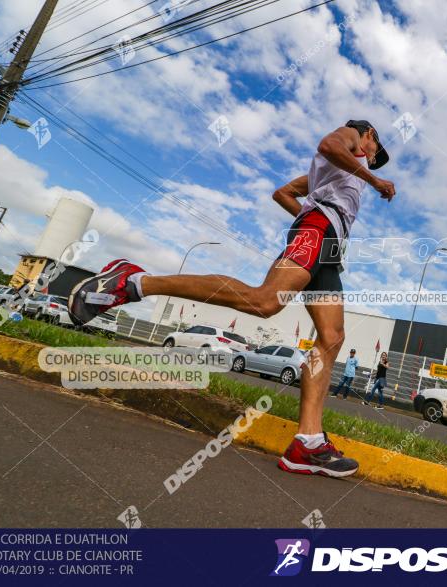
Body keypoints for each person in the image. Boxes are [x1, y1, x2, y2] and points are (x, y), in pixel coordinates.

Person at [67, 120, 394, 478]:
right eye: (376, 146)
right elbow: (328, 146)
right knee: (265, 302)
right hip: (317, 231)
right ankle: (134, 282)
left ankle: (308, 443)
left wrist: (314, 208)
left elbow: (283, 193)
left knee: (332, 338)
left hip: (327, 243)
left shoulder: (337, 175)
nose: (375, 156)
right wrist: (368, 182)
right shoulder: (349, 137)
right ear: (367, 135)